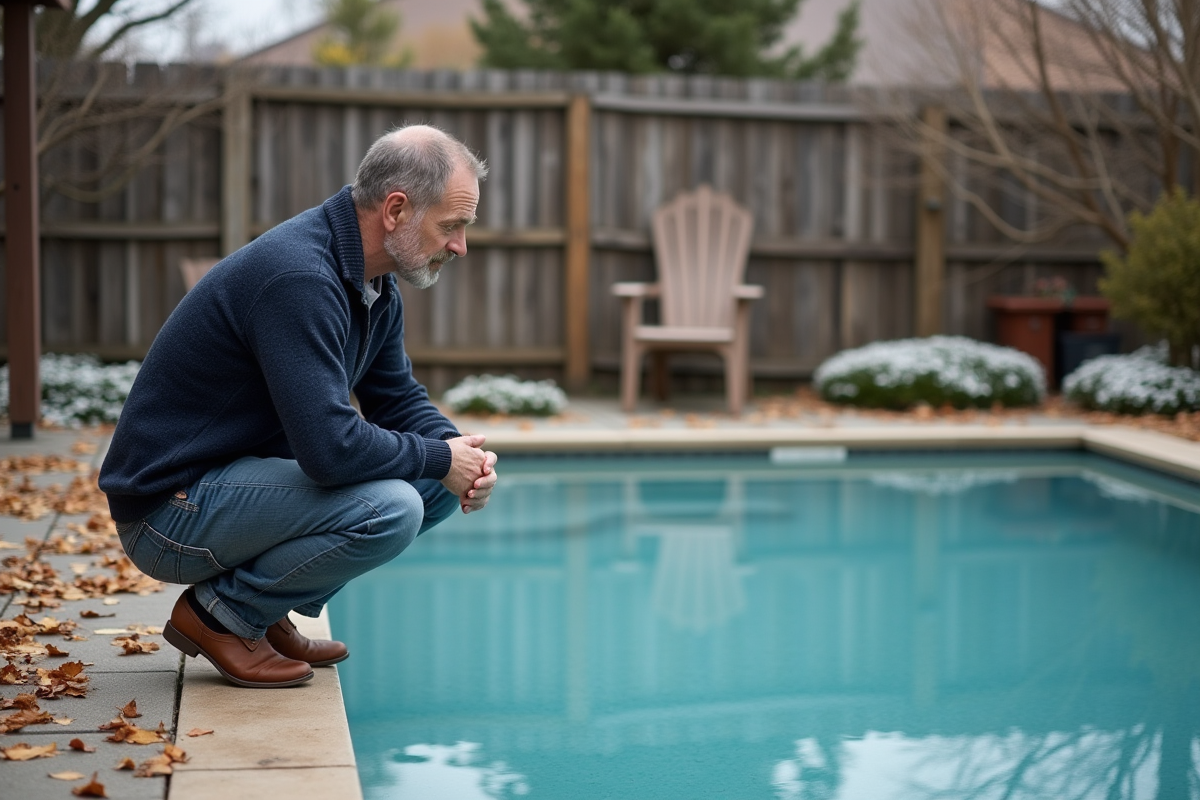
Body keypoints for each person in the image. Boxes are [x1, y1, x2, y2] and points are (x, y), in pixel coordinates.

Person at [99, 125, 497, 688]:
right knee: (394, 506)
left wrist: (463, 456)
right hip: (167, 511)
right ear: (396, 209)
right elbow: (329, 450)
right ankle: (222, 616)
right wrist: (437, 458)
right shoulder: (299, 277)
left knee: (432, 480)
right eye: (451, 226)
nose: (460, 245)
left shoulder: (373, 282)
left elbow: (397, 398)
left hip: (229, 484)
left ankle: (260, 612)